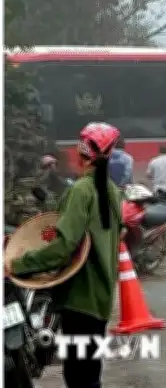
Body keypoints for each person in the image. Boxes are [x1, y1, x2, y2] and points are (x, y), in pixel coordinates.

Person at [5, 122, 123, 388]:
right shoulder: (113, 191)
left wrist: (18, 264)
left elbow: (63, 247)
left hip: (79, 297)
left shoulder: (81, 190)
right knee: (89, 373)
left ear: (82, 153)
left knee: (78, 377)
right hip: (101, 296)